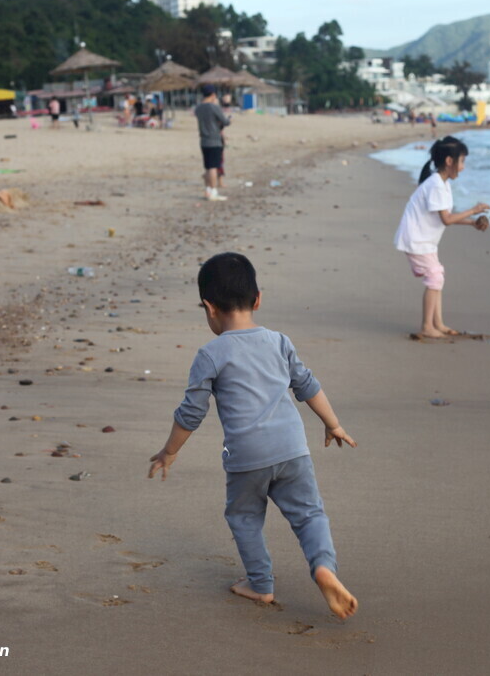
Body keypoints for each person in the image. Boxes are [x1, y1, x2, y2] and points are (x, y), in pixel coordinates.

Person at [148, 253, 359, 620]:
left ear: (209, 308)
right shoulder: (279, 342)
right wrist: (333, 423)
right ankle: (324, 567)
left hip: (247, 456)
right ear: (258, 299)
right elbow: (306, 386)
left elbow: (192, 413)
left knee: (244, 518)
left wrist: (169, 451)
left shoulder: (210, 354)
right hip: (293, 449)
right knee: (309, 515)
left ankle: (260, 584)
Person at [393, 136, 490, 339]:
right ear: (449, 161)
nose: (463, 167)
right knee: (435, 278)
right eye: (462, 161)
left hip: (425, 239)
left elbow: (446, 217)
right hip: (417, 239)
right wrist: (473, 210)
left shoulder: (442, 184)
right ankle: (427, 326)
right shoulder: (436, 184)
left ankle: (438, 323)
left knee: (437, 277)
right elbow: (446, 219)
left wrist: (472, 222)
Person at [194, 84, 230, 201]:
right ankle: (213, 191)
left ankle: (208, 190)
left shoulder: (198, 108)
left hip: (203, 140)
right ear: (213, 94)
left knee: (208, 167)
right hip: (214, 140)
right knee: (213, 167)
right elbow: (225, 121)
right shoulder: (213, 107)